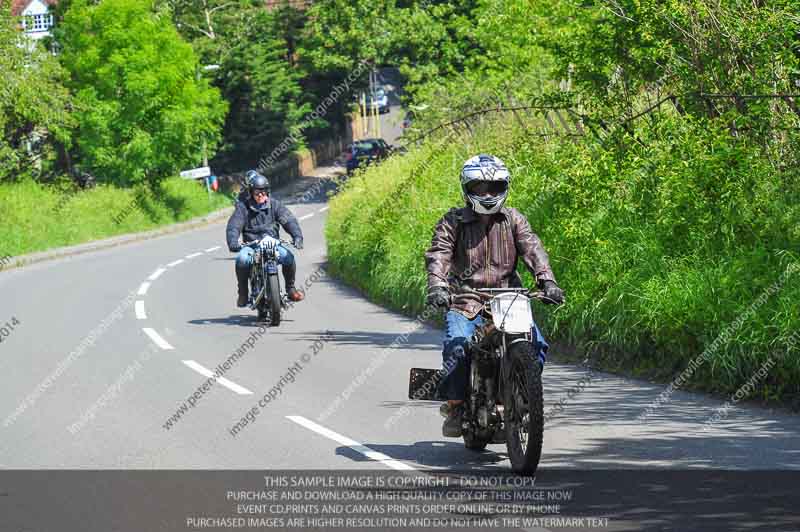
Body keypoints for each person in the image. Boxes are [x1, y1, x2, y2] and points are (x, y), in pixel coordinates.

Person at [425, 154, 564, 438]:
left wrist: (547, 281)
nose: (487, 194)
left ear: (505, 187)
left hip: (510, 299)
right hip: (466, 300)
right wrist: (437, 286)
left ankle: (518, 398)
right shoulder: (453, 221)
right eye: (480, 188)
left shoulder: (514, 219)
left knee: (536, 343)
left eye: (494, 187)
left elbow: (533, 249)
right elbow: (439, 253)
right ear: (467, 188)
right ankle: (455, 405)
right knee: (458, 344)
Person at [226, 170, 305, 306]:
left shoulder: (275, 205)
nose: (261, 195)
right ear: (251, 192)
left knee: (289, 257)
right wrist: (233, 242)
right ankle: (243, 293)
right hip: (251, 246)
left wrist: (297, 236)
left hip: (272, 244)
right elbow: (234, 226)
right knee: (242, 259)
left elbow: (289, 220)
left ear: (268, 191)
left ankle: (291, 289)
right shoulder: (242, 208)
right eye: (257, 192)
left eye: (263, 191)